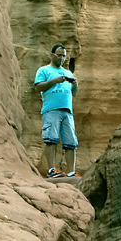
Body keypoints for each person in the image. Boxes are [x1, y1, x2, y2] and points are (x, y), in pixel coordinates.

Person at [34, 43, 78, 178]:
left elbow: (74, 94)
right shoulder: (44, 70)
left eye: (64, 56)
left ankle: (71, 172)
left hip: (67, 111)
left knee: (71, 142)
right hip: (51, 110)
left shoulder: (68, 72)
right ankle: (52, 170)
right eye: (59, 55)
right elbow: (38, 87)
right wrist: (55, 81)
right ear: (52, 55)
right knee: (51, 139)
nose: (62, 59)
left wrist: (75, 85)